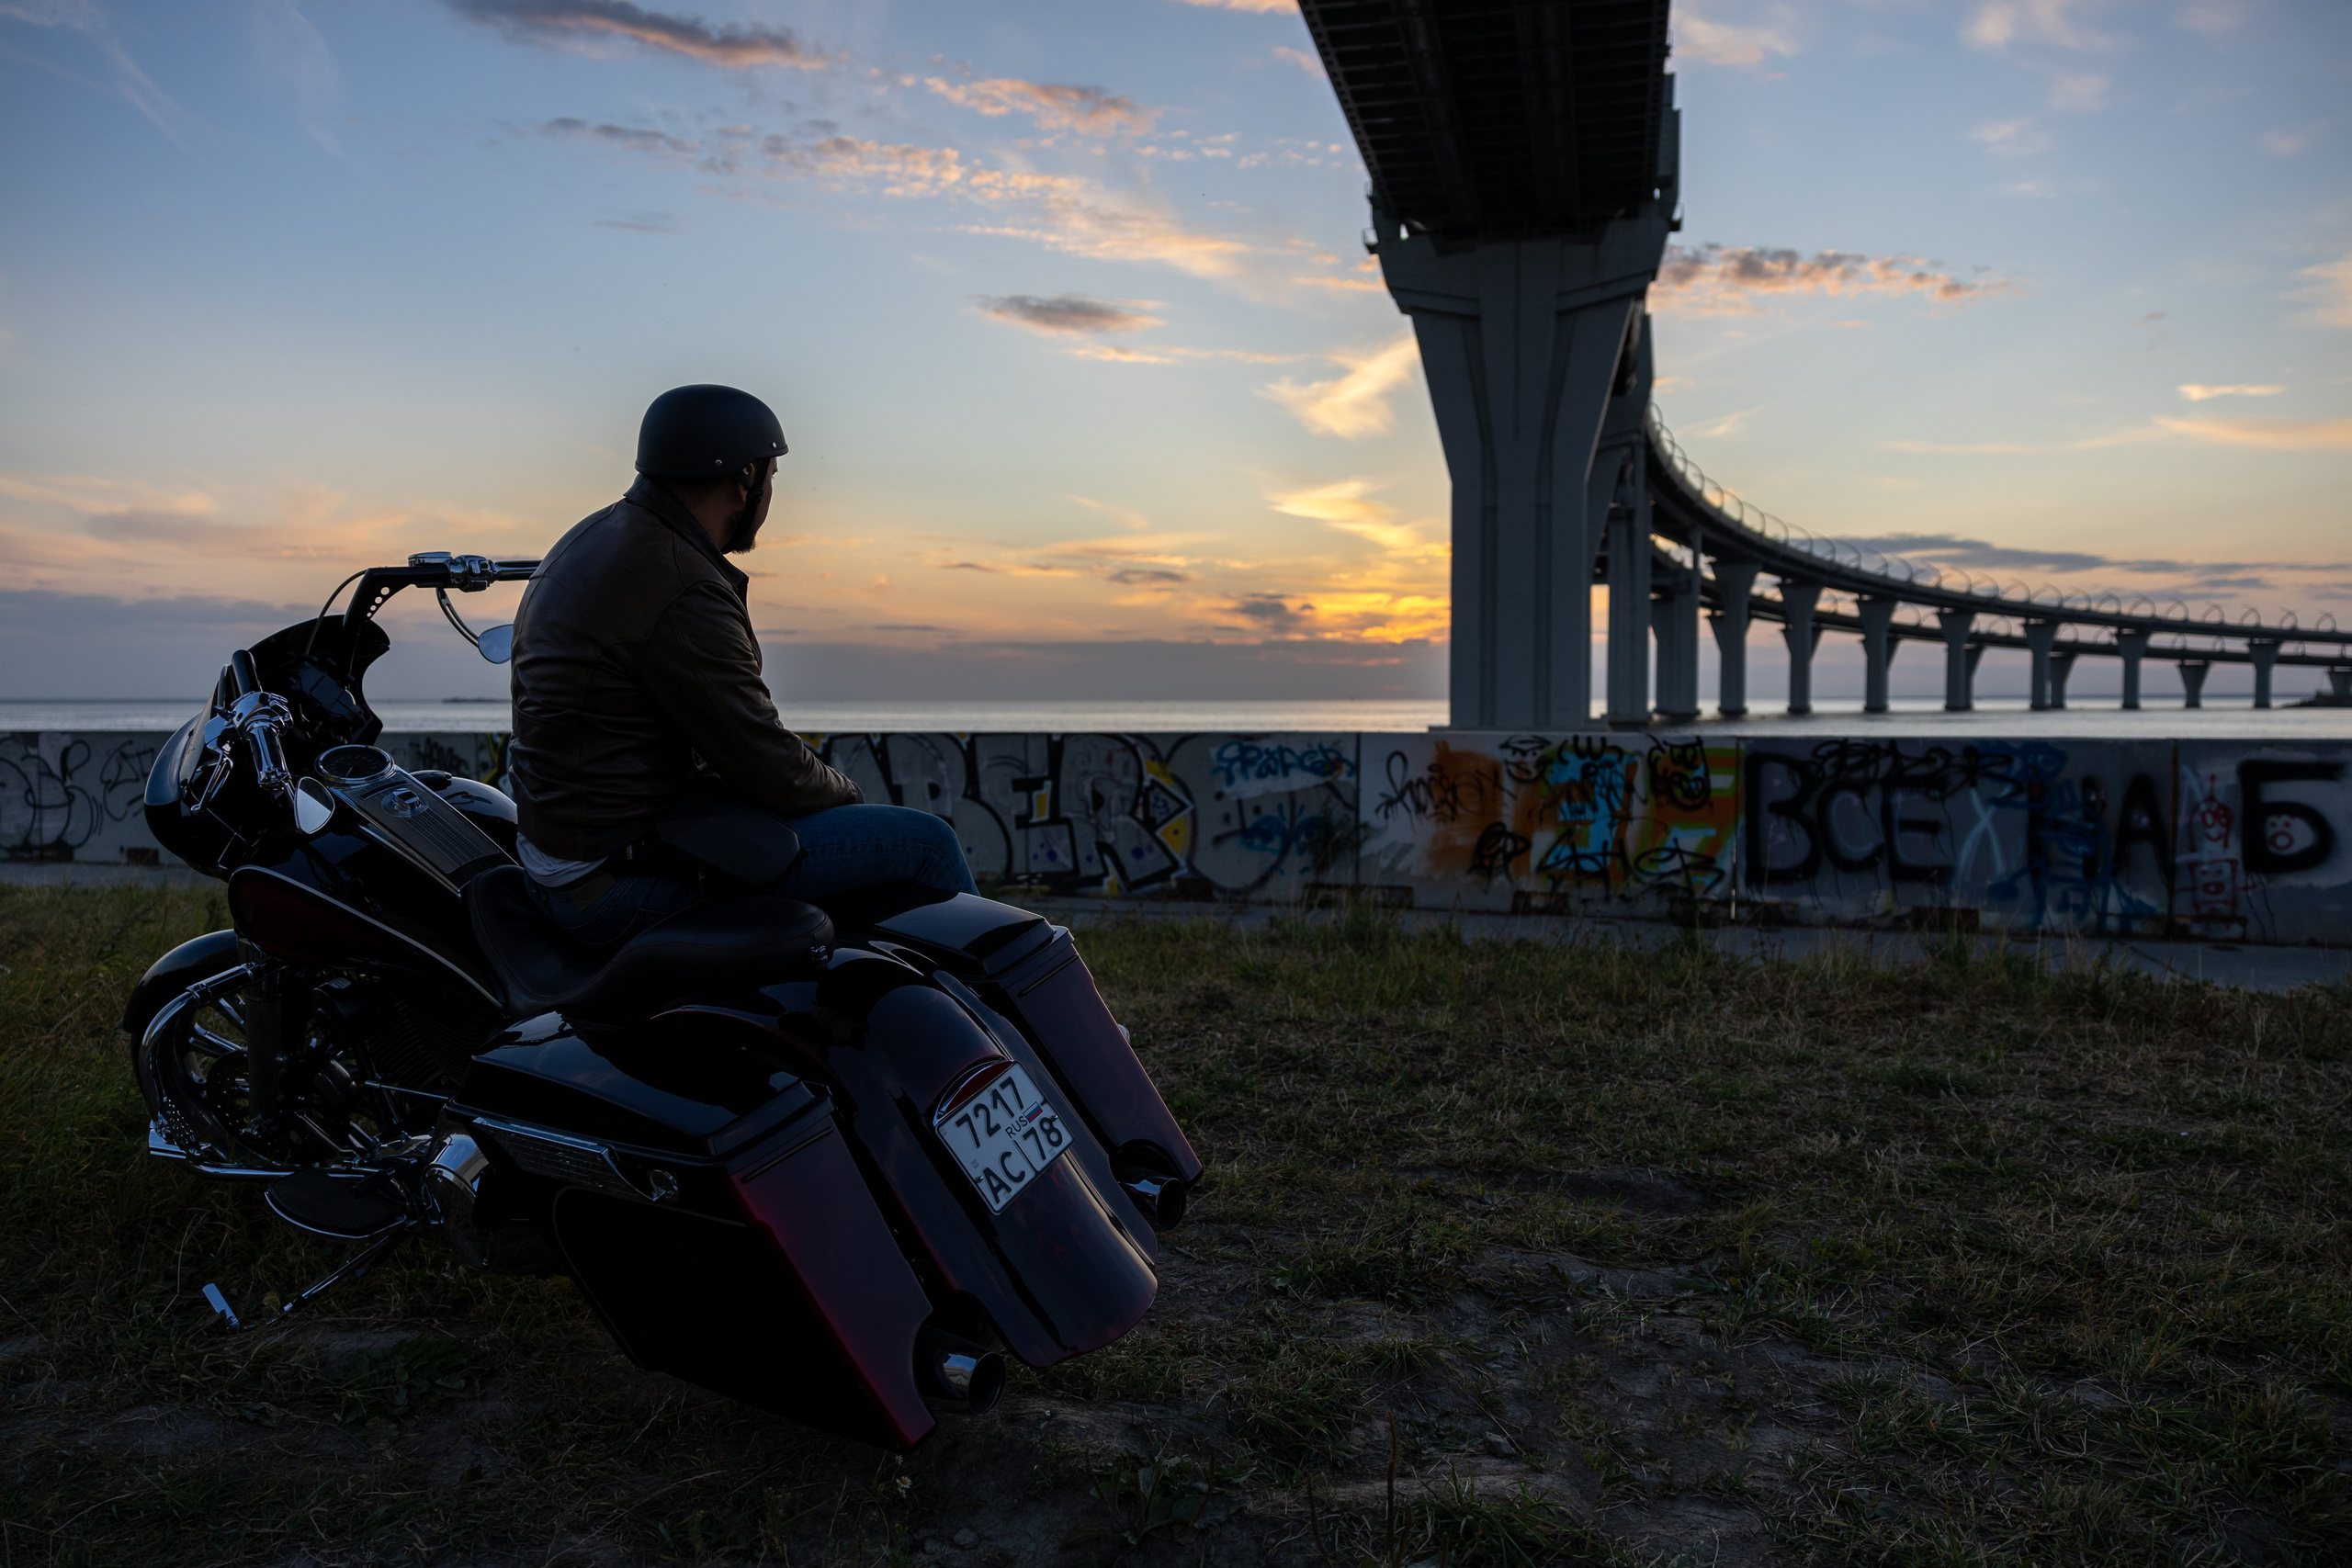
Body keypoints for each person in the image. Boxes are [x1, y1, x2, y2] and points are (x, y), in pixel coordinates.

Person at [505, 383, 975, 944]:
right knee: (925, 842)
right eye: (772, 477)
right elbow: (768, 762)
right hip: (613, 883)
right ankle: (1005, 1023)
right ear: (746, 477)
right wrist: (845, 800)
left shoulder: (594, 538)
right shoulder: (678, 581)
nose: (771, 495)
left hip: (571, 853)